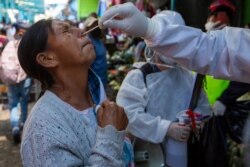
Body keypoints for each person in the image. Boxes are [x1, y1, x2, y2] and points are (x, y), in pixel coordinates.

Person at [17, 19, 130, 166]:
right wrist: (111, 135)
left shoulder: (95, 92)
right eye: (65, 31)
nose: (81, 31)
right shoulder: (41, 131)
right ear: (47, 59)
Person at [116, 13, 212, 167]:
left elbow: (204, 107)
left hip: (185, 153)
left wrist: (196, 121)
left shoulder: (187, 76)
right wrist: (167, 128)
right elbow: (129, 116)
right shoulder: (139, 76)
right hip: (149, 155)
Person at [99, 2, 250, 83]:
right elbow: (218, 50)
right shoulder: (139, 77)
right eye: (215, 15)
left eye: (225, 16)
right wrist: (152, 30)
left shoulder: (185, 77)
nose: (219, 20)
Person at [0, 23, 32, 144]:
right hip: (24, 78)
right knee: (23, 101)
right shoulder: (26, 45)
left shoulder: (8, 43)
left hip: (10, 78)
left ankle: (15, 127)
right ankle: (23, 123)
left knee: (13, 104)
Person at [84, 16, 108, 89]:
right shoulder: (88, 42)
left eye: (97, 24)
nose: (96, 26)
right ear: (88, 28)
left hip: (103, 77)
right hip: (95, 82)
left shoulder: (98, 40)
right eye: (93, 25)